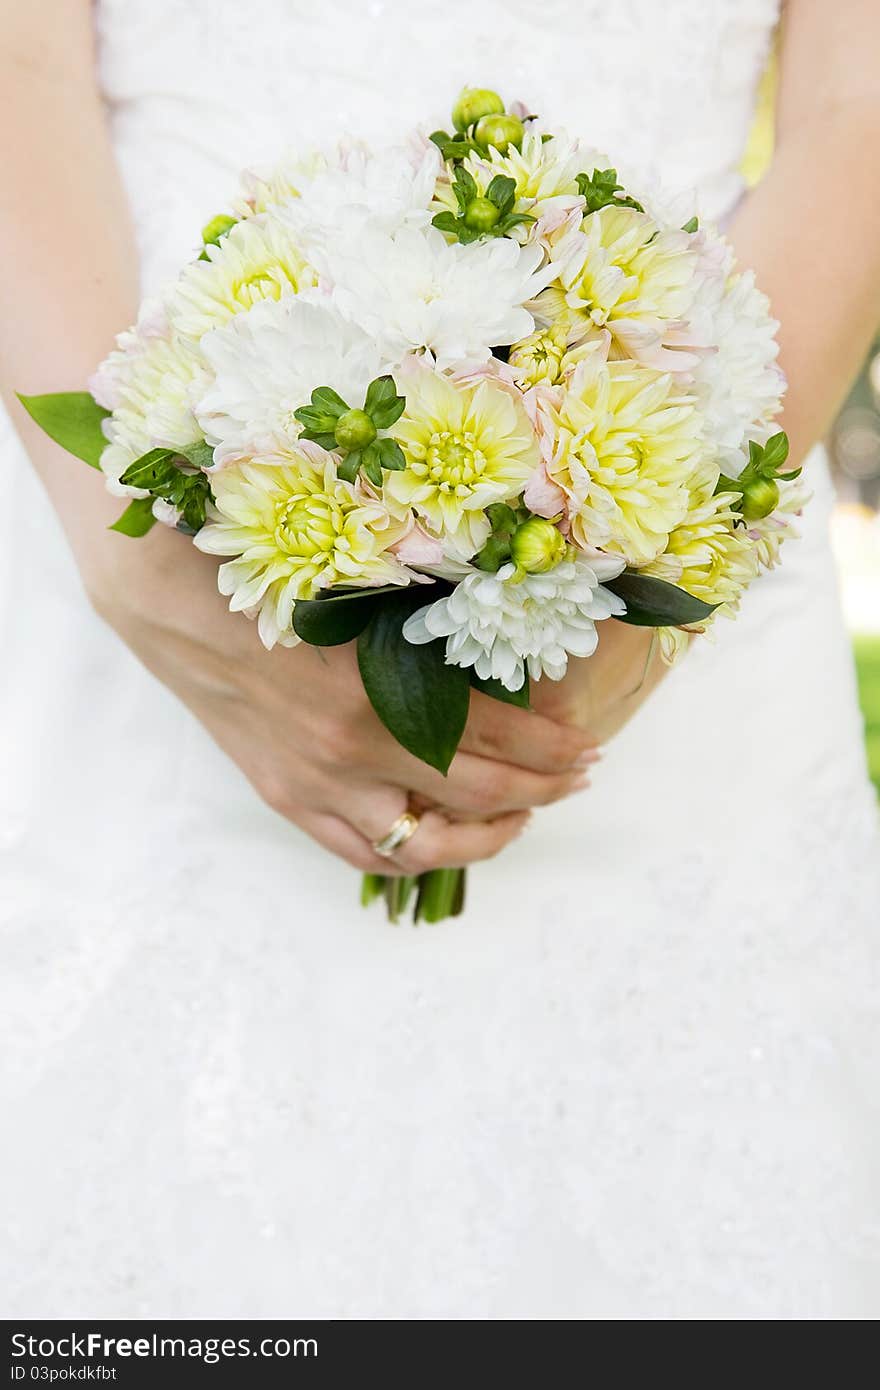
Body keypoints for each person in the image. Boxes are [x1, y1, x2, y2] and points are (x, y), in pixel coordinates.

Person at [1, 0, 879, 1319]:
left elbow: (855, 107)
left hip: (680, 547)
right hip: (151, 505)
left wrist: (658, 581)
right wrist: (142, 570)